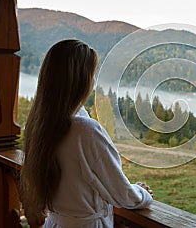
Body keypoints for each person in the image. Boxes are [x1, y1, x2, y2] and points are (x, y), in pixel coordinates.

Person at [21, 39, 153, 228]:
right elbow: (124, 195)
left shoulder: (40, 125)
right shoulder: (85, 130)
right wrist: (142, 193)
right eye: (91, 75)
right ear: (81, 80)